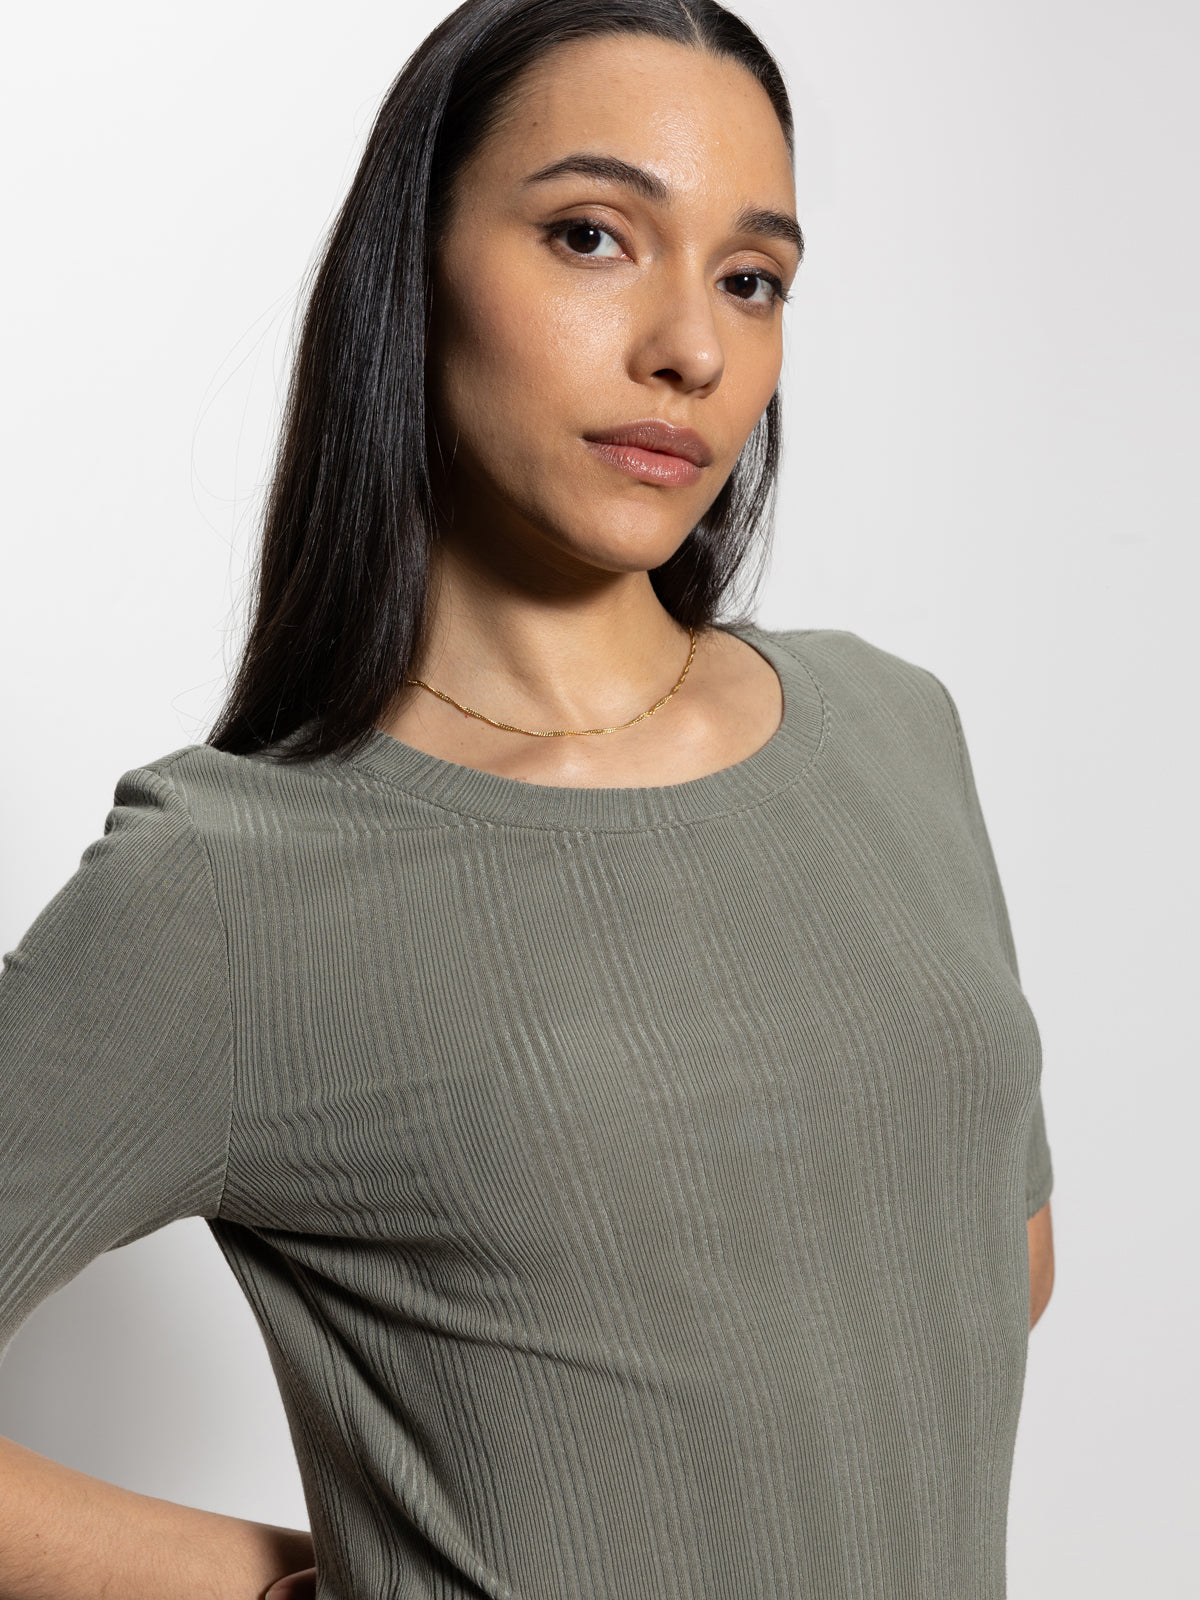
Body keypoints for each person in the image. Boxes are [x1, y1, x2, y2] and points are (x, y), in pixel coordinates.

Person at [0, 0, 1056, 1595]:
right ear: (410, 270)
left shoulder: (895, 732)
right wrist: (282, 1587)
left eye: (751, 278)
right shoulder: (233, 888)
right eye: (591, 235)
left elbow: (988, 1267)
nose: (692, 348)